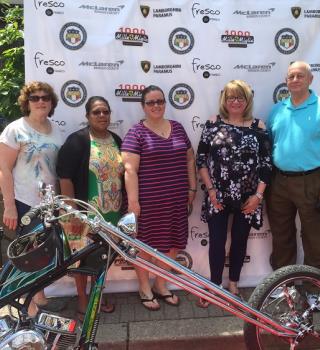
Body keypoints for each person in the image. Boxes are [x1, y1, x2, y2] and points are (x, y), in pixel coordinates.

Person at [196, 80, 272, 307]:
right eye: (231, 97)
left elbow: (267, 164)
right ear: (224, 101)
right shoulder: (213, 123)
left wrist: (258, 196)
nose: (235, 101)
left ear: (247, 100)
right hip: (217, 194)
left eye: (240, 97)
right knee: (217, 242)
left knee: (239, 241)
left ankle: (233, 285)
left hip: (249, 196)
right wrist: (210, 191)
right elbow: (201, 160)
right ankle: (214, 285)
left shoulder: (259, 126)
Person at [122, 85, 197, 311]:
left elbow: (189, 160)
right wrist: (134, 203)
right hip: (148, 203)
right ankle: (144, 287)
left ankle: (161, 284)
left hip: (176, 200)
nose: (156, 106)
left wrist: (192, 189)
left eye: (160, 101)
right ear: (143, 106)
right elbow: (129, 170)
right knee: (144, 246)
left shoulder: (178, 128)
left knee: (173, 244)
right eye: (151, 102)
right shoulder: (136, 133)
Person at [266, 61, 320, 274]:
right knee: (282, 236)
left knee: (313, 237)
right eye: (291, 76)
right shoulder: (277, 110)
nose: (295, 80)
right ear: (286, 81)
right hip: (278, 181)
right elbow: (270, 145)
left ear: (310, 79)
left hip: (312, 180)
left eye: (300, 76)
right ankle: (284, 285)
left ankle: (315, 290)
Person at [56, 96, 123, 321]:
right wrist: (74, 212)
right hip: (83, 213)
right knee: (81, 257)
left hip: (110, 214)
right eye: (96, 112)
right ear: (87, 116)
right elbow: (65, 177)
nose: (102, 116)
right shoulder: (77, 141)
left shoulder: (116, 140)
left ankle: (97, 295)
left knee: (102, 257)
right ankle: (83, 300)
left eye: (105, 111)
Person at [0, 81, 63, 317]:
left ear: (51, 102)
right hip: (23, 202)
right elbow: (3, 169)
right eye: (34, 98)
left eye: (45, 97)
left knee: (43, 253)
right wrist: (9, 206)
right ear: (26, 102)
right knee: (27, 255)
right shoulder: (15, 130)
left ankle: (40, 298)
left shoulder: (56, 129)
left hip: (48, 203)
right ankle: (29, 307)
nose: (40, 101)